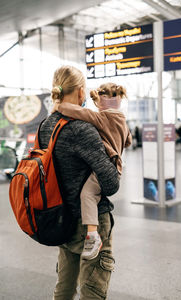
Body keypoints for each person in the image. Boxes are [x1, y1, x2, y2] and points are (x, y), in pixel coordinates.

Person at [39, 65, 120, 300]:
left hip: (61, 218)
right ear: (81, 92)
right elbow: (111, 182)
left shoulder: (46, 125)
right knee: (92, 290)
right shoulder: (82, 129)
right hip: (90, 226)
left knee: (63, 287)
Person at [55, 82, 132, 260]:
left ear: (99, 102)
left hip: (106, 168)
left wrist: (59, 104)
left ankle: (92, 234)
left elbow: (76, 111)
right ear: (119, 101)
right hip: (117, 166)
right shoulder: (122, 120)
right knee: (93, 194)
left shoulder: (101, 118)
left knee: (87, 194)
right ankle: (92, 233)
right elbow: (127, 142)